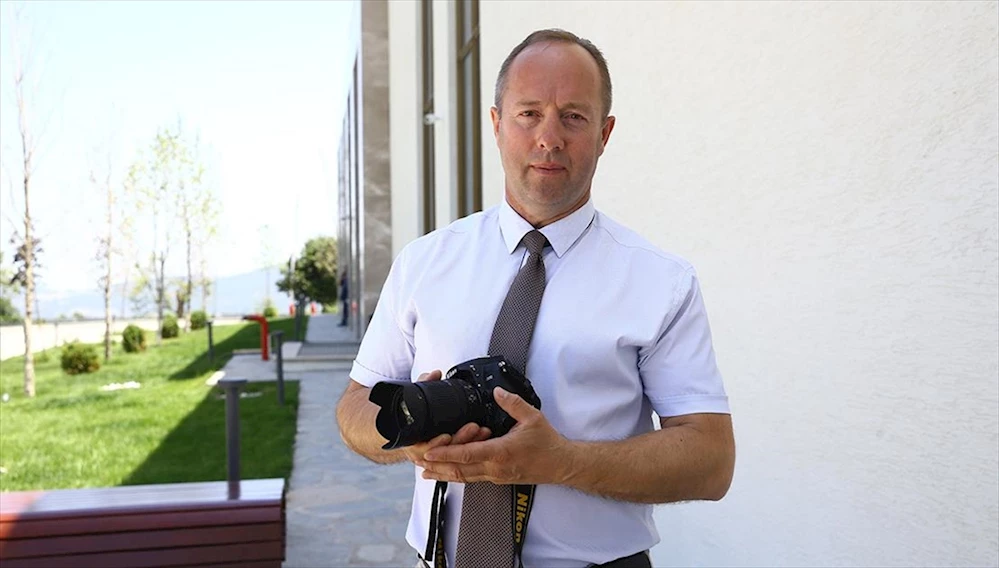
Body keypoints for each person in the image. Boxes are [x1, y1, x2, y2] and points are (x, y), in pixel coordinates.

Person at [336, 28, 735, 567]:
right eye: (529, 114)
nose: (550, 138)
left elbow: (711, 459)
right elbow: (354, 406)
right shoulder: (424, 262)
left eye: (573, 116)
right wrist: (407, 437)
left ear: (604, 133)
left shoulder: (662, 282)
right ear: (497, 124)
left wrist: (560, 461)